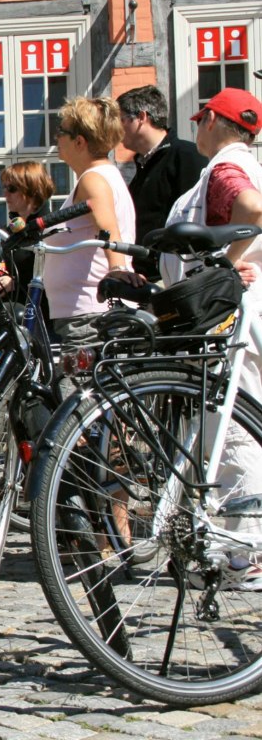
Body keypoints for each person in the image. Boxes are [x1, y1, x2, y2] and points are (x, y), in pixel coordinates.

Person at [162, 86, 262, 586]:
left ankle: (244, 555)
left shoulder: (226, 167)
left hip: (233, 320)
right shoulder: (228, 163)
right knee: (226, 429)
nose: (195, 126)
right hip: (232, 318)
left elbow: (251, 207)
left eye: (200, 117)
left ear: (214, 122)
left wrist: (227, 266)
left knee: (235, 430)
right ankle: (235, 548)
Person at [45, 96, 142, 352]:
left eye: (61, 131)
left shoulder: (94, 180)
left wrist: (117, 267)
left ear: (79, 141)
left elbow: (106, 225)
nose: (57, 138)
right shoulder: (103, 175)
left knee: (77, 390)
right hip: (86, 311)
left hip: (90, 314)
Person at [116, 85, 207, 281]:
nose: (117, 128)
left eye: (121, 119)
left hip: (176, 276)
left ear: (141, 117)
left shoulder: (186, 156)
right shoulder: (144, 163)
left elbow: (198, 219)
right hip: (148, 276)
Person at [0, 161, 56, 323]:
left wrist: (15, 282)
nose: (5, 194)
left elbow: (52, 271)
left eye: (12, 189)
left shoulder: (49, 228)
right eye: (4, 187)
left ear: (31, 191)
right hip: (15, 316)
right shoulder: (15, 228)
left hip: (43, 319)